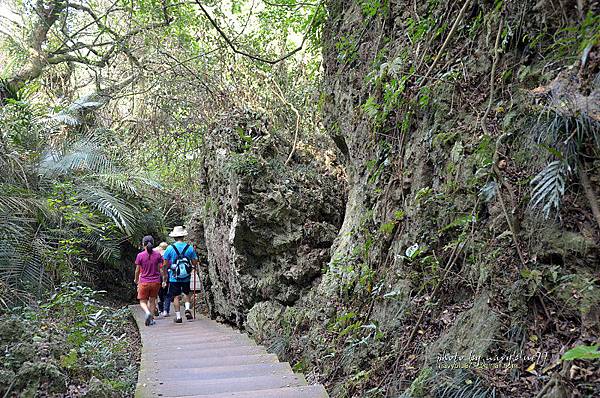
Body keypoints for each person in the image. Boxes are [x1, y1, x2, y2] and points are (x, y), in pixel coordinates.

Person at [161, 226, 198, 324]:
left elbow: (164, 264)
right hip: (186, 276)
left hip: (174, 277)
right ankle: (187, 309)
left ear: (174, 237)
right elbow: (195, 263)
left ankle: (178, 317)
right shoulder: (189, 248)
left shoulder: (170, 248)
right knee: (186, 293)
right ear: (183, 236)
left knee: (176, 296)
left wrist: (165, 277)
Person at [134, 235, 162, 326]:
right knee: (152, 300)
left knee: (142, 301)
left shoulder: (140, 255)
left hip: (144, 281)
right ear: (153, 244)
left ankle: (147, 312)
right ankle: (152, 319)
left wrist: (136, 279)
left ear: (143, 244)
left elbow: (137, 270)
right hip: (155, 281)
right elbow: (159, 269)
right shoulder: (158, 255)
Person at [154, 242, 170, 317]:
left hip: (158, 276)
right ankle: (166, 310)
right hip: (167, 275)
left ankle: (161, 309)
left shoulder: (157, 256)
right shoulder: (168, 256)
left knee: (160, 293)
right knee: (166, 293)